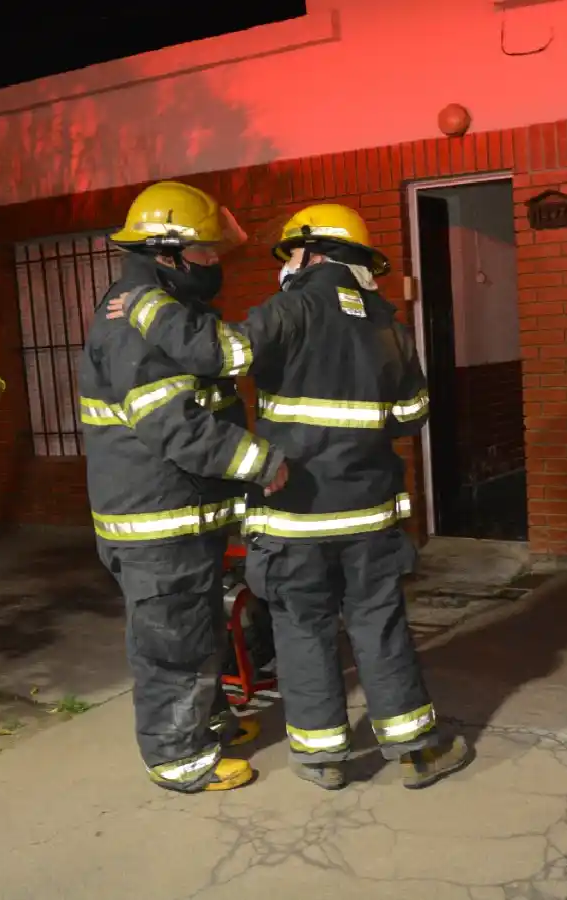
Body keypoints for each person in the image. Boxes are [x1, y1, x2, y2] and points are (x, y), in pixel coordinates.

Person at [107, 203, 471, 791]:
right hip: (371, 516)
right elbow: (412, 415)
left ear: (311, 252)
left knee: (303, 627)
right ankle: (417, 751)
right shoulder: (388, 324)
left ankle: (322, 760)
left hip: (294, 515)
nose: (287, 265)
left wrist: (150, 306)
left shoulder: (291, 308)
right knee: (379, 625)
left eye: (290, 254)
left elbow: (221, 354)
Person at [78, 180, 288, 793]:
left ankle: (207, 723)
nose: (214, 264)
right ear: (167, 252)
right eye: (205, 253)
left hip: (180, 516)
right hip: (155, 526)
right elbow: (175, 426)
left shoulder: (166, 309)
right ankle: (178, 758)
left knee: (197, 629)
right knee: (171, 644)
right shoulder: (136, 320)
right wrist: (258, 462)